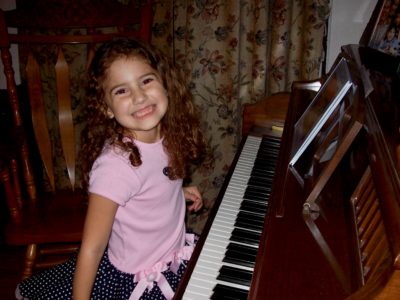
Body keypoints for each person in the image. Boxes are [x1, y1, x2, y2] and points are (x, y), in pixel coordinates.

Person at [15, 38, 206, 300]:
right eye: (121, 91)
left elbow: (151, 180)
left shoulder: (167, 135)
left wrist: (176, 193)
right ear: (106, 107)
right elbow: (92, 249)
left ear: (164, 83)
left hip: (170, 256)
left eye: (146, 80)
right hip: (137, 279)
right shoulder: (115, 167)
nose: (139, 96)